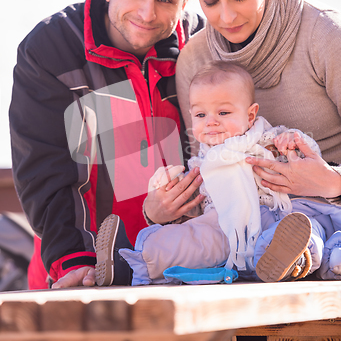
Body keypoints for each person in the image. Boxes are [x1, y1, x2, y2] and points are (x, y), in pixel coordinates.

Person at [9, 0, 205, 290]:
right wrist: (72, 259)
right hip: (84, 266)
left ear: (184, 2)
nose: (147, 13)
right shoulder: (52, 49)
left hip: (182, 264)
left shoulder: (199, 47)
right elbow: (42, 166)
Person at [168, 0, 341, 282]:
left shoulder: (325, 37)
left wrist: (331, 184)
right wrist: (163, 208)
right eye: (209, 2)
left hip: (328, 211)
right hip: (241, 226)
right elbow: (203, 155)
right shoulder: (195, 61)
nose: (226, 16)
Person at [108, 62, 339, 285]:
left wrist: (294, 140)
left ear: (250, 116)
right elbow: (195, 205)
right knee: (189, 239)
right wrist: (171, 189)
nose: (211, 122)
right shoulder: (202, 164)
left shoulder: (268, 139)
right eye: (200, 115)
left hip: (280, 214)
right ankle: (132, 263)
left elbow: (309, 163)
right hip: (224, 227)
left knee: (302, 229)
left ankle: (291, 259)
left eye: (223, 112)